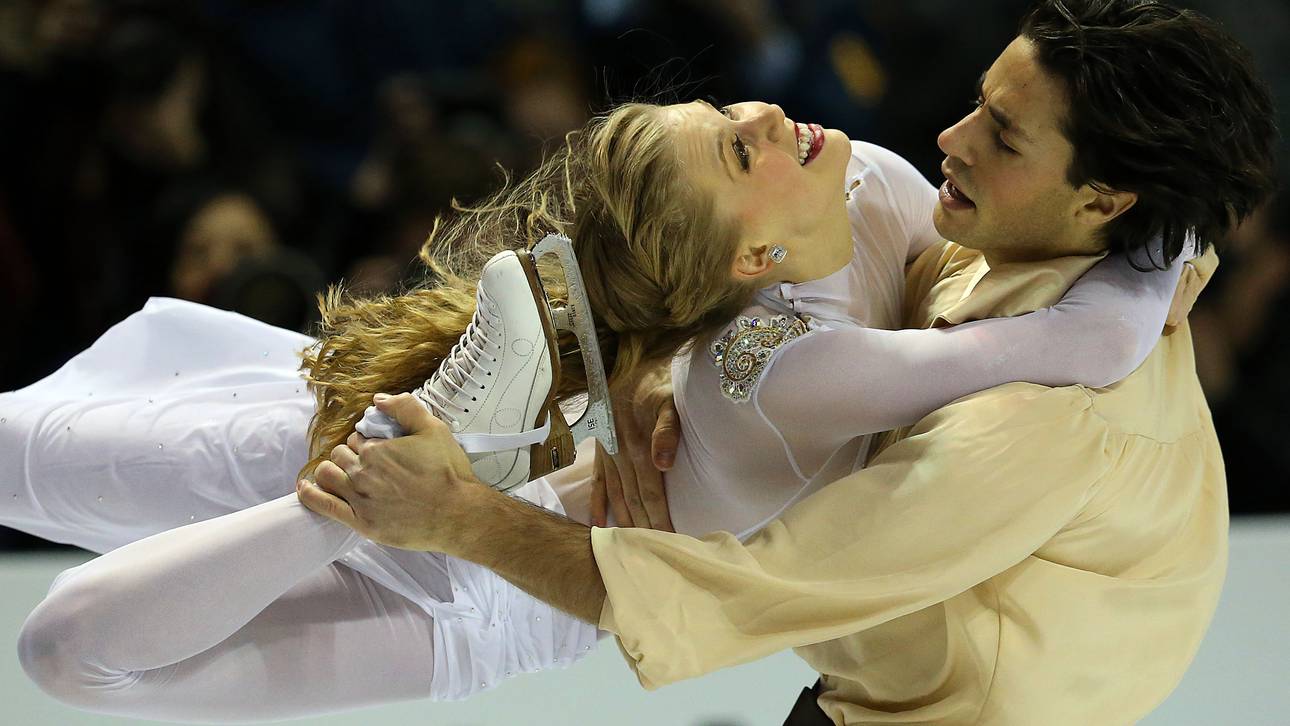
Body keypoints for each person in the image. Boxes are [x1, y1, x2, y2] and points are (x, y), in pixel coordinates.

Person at [0, 2, 1247, 723]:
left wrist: (1161, 250)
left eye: (999, 129)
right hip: (475, 521)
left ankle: (378, 488)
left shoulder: (873, 199)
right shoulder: (781, 337)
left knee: (70, 639)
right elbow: (1070, 333)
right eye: (730, 144)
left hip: (494, 580)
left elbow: (1110, 279)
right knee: (28, 487)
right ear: (748, 262)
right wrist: (1139, 286)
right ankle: (375, 486)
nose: (767, 117)